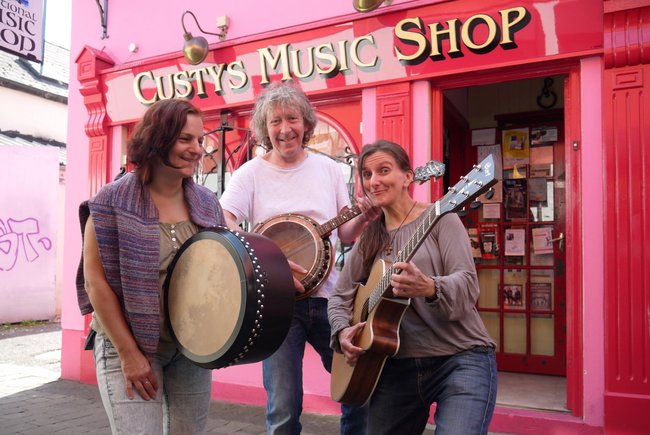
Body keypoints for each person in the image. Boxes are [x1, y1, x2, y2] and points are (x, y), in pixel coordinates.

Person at [220, 80, 378, 435]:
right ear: (265, 129)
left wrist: (364, 217)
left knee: (357, 385)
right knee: (283, 406)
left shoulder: (328, 169)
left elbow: (346, 232)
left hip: (330, 299)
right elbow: (223, 218)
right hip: (278, 304)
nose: (284, 129)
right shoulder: (250, 173)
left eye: (291, 118)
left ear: (306, 123)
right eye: (275, 121)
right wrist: (261, 259)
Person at [76, 99, 225, 434]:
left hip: (190, 348)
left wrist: (272, 264)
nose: (197, 149)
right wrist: (129, 354)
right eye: (185, 139)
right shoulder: (110, 201)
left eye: (200, 140)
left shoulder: (207, 203)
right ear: (158, 138)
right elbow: (94, 282)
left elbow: (226, 262)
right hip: (125, 342)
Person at [328, 140, 497, 435]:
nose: (374, 181)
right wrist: (343, 331)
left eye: (383, 170)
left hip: (460, 357)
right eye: (367, 174)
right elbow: (339, 297)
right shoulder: (369, 238)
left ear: (408, 177)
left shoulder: (442, 218)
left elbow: (468, 286)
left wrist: (430, 287)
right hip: (394, 366)